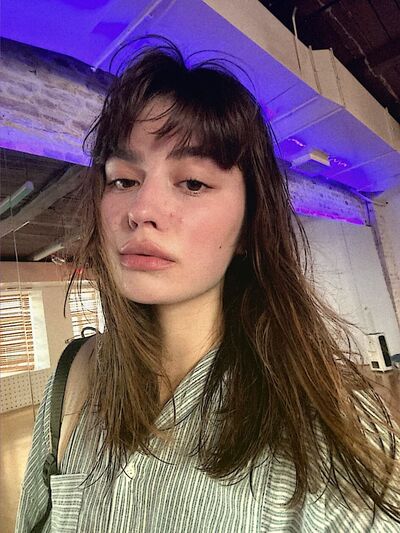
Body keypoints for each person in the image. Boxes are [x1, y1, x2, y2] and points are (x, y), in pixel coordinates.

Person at [16, 35, 400, 532]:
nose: (141, 210)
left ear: (249, 225)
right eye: (123, 180)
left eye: (193, 183)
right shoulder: (74, 377)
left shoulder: (332, 424)